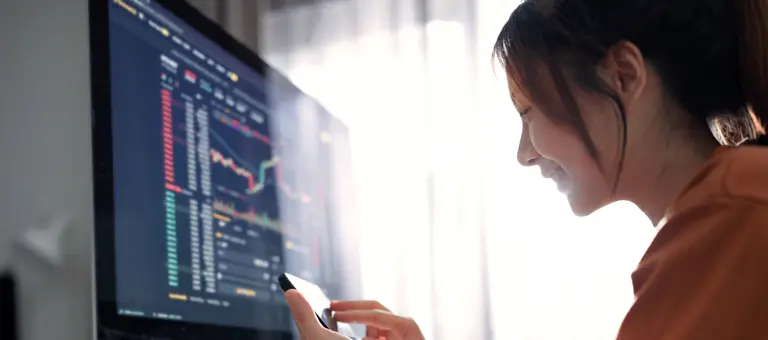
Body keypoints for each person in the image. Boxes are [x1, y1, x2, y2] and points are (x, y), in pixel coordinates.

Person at [283, 0, 768, 338]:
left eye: (528, 112)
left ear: (624, 75)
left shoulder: (732, 213)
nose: (524, 153)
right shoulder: (724, 211)